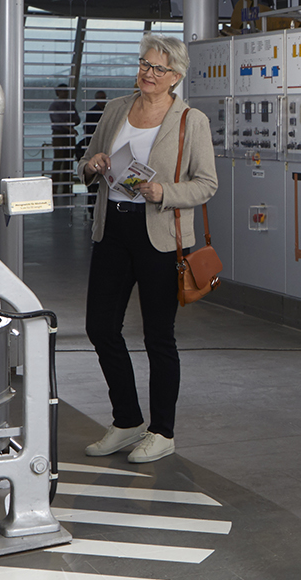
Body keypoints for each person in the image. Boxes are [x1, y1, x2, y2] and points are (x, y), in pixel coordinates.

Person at [79, 37, 219, 464]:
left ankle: (162, 430)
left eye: (158, 69)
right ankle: (127, 421)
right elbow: (84, 163)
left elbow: (207, 183)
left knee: (159, 337)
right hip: (114, 227)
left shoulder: (190, 120)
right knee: (100, 327)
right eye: (144, 64)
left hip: (159, 234)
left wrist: (163, 191)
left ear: (175, 76)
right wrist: (94, 165)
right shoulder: (117, 109)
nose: (148, 73)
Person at [50, 85, 79, 192]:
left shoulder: (70, 105)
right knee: (58, 162)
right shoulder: (54, 106)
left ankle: (67, 189)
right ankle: (54, 189)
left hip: (69, 136)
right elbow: (57, 120)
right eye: (62, 91)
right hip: (59, 135)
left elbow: (77, 119)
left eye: (66, 91)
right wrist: (69, 126)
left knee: (69, 162)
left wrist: (68, 126)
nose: (65, 93)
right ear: (58, 93)